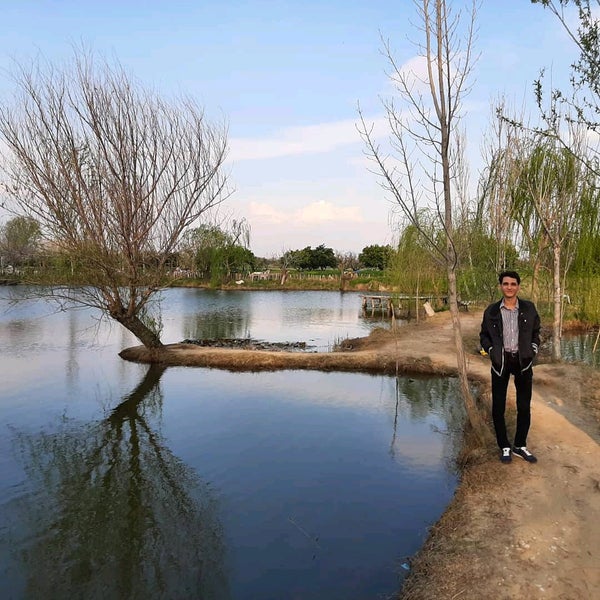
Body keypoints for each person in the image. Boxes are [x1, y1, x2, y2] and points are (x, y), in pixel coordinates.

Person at [479, 270, 541, 464]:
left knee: (524, 406)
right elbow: (484, 335)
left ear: (518, 287)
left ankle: (520, 445)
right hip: (501, 363)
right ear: (501, 286)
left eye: (513, 284)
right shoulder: (491, 311)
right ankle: (504, 446)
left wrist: (532, 349)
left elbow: (537, 332)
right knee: (498, 407)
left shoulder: (529, 309)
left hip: (523, 362)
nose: (509, 287)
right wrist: (490, 351)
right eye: (506, 284)